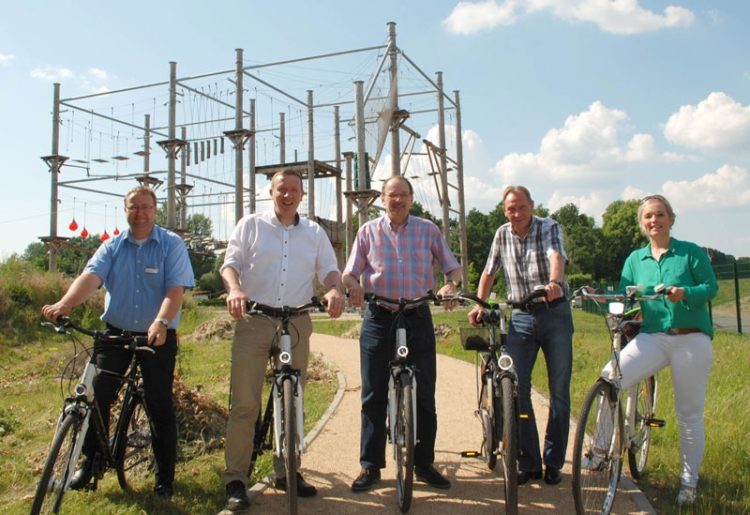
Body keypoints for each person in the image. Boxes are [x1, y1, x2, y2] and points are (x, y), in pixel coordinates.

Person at [42, 185, 195, 500]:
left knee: (158, 405)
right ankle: (91, 465)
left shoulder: (171, 245)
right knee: (97, 398)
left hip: (158, 334)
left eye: (146, 207)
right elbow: (91, 277)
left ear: (155, 211)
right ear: (125, 211)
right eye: (133, 207)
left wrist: (161, 321)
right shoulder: (112, 246)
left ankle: (164, 477)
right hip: (116, 332)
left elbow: (175, 288)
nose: (140, 213)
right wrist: (64, 304)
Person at [220, 169, 345, 511]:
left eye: (294, 190)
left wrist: (334, 288)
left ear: (302, 195)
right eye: (281, 189)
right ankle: (236, 479)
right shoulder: (251, 225)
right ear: (270, 192)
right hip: (256, 320)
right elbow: (230, 265)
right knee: (245, 403)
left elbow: (329, 270)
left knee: (293, 399)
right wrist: (235, 289)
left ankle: (288, 471)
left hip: (297, 322)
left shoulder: (314, 233)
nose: (287, 195)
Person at [343, 175, 462, 492]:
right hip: (379, 316)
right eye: (391, 195)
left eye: (403, 195)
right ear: (382, 199)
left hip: (417, 315)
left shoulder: (428, 230)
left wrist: (451, 284)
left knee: (424, 395)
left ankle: (424, 463)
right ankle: (370, 466)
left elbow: (452, 268)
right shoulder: (367, 231)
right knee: (373, 395)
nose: (398, 200)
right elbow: (349, 272)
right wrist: (353, 286)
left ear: (411, 198)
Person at [596, 194, 717, 505]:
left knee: (688, 414)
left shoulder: (689, 253)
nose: (654, 221)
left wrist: (684, 293)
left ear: (671, 219)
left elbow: (710, 287)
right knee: (610, 377)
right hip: (653, 336)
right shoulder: (635, 260)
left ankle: (688, 483)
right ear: (642, 224)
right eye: (648, 216)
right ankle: (599, 449)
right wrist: (608, 302)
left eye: (660, 215)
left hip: (691, 338)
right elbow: (625, 294)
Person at [468, 185, 573, 486]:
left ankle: (553, 460)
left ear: (532, 205)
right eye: (511, 208)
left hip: (554, 311)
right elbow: (489, 271)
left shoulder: (548, 227)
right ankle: (528, 462)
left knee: (559, 390)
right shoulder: (502, 233)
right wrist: (479, 303)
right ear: (504, 210)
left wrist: (554, 282)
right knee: (516, 387)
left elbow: (556, 255)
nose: (516, 212)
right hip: (522, 316)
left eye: (521, 206)